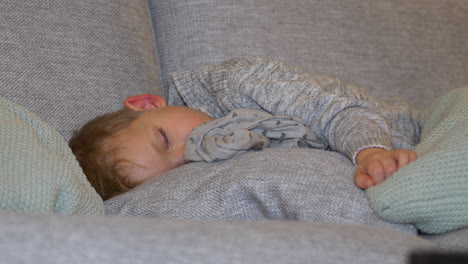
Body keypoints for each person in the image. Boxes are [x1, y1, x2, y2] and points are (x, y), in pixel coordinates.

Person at [70, 57, 419, 200]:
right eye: (181, 169)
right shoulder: (219, 172)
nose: (189, 149)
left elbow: (330, 111)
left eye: (164, 138)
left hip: (401, 127)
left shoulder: (234, 83)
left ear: (147, 105)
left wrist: (370, 150)